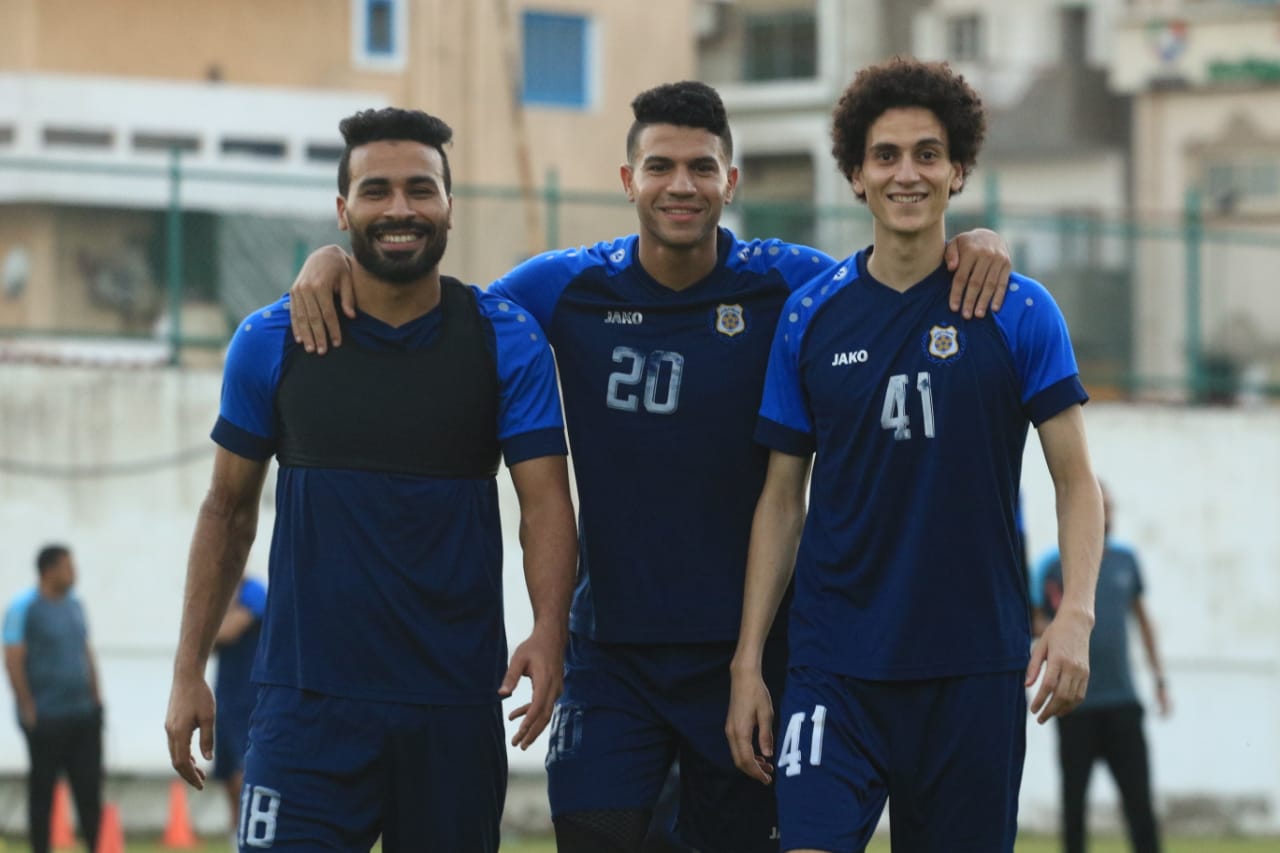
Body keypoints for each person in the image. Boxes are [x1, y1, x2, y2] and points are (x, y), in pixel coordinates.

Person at [286, 82, 1011, 853]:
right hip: (611, 657)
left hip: (750, 659)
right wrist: (333, 260)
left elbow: (892, 283)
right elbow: (444, 311)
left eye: (702, 168)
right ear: (629, 180)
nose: (681, 186)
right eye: (660, 167)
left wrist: (975, 244)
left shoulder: (793, 284)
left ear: (731, 182)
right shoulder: (564, 287)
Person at [163, 107, 577, 853]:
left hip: (453, 708)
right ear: (342, 208)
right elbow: (227, 511)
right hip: (305, 710)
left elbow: (545, 503)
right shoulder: (271, 339)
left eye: (421, 189)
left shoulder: (504, 340)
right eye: (376, 190)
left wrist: (550, 630)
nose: (399, 208)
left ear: (450, 206)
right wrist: (188, 668)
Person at [725, 57, 1104, 853]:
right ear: (855, 175)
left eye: (928, 154)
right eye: (886, 155)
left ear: (957, 170)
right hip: (833, 666)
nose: (907, 173)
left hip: (972, 667)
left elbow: (1076, 481)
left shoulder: (1019, 309)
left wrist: (1075, 613)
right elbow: (782, 499)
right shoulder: (809, 315)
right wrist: (749, 660)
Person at [1036, 481, 1169, 853]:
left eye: (1109, 506)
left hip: (1123, 703)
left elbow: (1143, 621)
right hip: (1073, 704)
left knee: (1139, 803)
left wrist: (1159, 680)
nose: (1106, 513)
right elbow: (1034, 621)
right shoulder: (1051, 566)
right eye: (1100, 505)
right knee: (1074, 806)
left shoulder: (1127, 561)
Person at [3, 544, 104, 853]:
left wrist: (96, 699)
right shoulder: (24, 607)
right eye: (67, 567)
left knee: (88, 790)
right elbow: (13, 658)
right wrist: (27, 708)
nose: (74, 573)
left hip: (83, 715)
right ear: (49, 571)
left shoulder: (75, 605)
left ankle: (95, 846)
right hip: (47, 717)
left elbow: (85, 651)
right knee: (43, 792)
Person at [211, 574, 267, 847]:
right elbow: (208, 644)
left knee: (243, 773)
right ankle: (236, 839)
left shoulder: (254, 590)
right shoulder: (220, 595)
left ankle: (250, 837)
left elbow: (224, 632)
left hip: (248, 698)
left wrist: (221, 613)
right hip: (225, 698)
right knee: (227, 776)